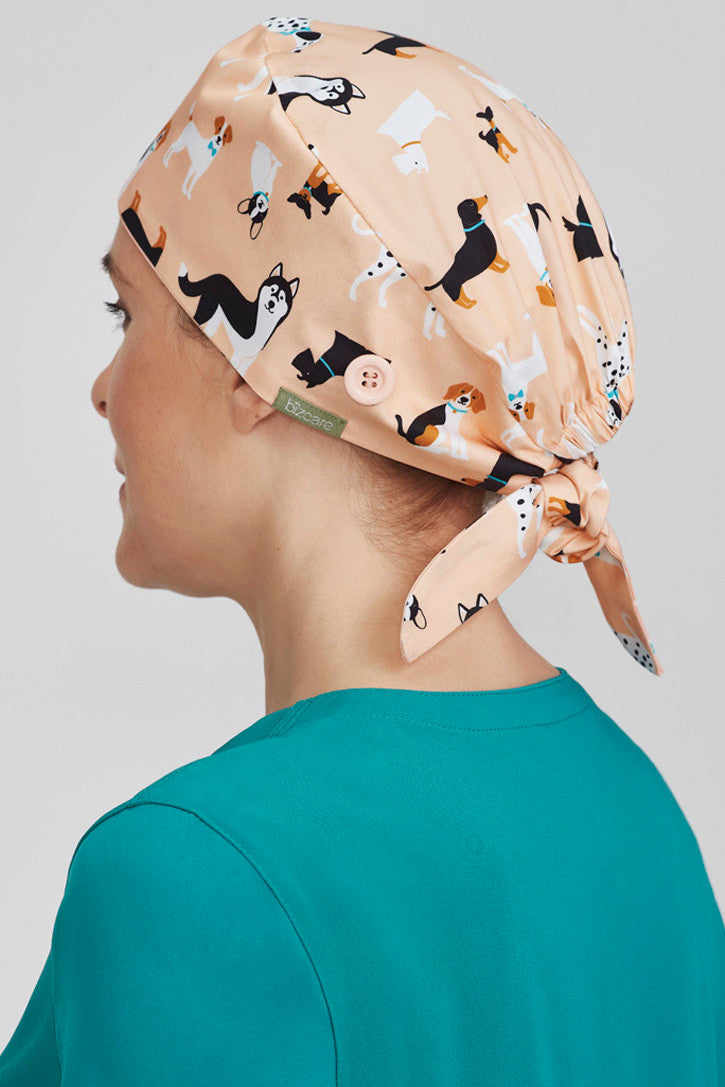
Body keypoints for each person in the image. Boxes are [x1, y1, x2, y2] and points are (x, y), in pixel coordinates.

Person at [1, 17, 722, 1085]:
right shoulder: (637, 816)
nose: (102, 389)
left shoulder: (194, 871)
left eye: (127, 313)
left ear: (257, 359)